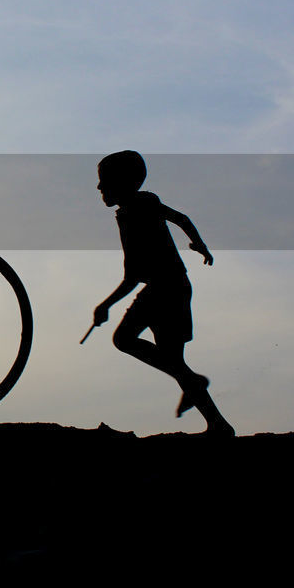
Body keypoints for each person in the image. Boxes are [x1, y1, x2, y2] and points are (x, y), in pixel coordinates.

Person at [89, 151, 234, 436]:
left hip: (165, 291)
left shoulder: (134, 214)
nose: (99, 188)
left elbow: (132, 276)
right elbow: (181, 219)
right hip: (173, 287)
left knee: (124, 339)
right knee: (175, 363)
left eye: (104, 181)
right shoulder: (146, 204)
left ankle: (203, 398)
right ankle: (217, 422)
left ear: (124, 182)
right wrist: (199, 244)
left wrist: (105, 305)